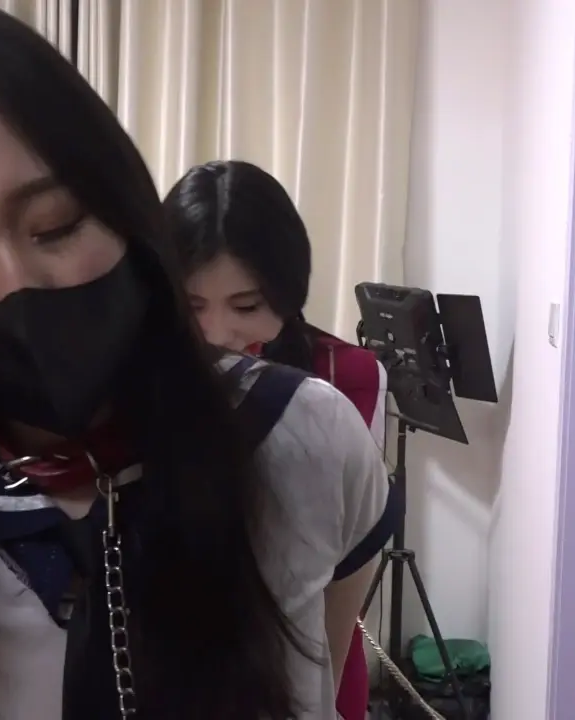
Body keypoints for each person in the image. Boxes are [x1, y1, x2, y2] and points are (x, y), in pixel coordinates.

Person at [0, 3, 398, 719]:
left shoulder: (303, 433)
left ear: (126, 210)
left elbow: (326, 667)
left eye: (57, 225)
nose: (18, 285)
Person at [163, 160, 389, 720]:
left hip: (311, 655)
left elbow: (347, 560)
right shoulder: (143, 382)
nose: (217, 334)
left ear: (287, 295)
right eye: (191, 306)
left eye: (246, 307)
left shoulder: (342, 377)